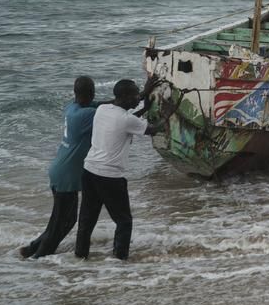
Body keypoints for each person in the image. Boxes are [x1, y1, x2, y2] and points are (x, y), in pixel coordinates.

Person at [74, 77, 166, 261]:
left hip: (90, 171)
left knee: (87, 219)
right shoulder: (126, 119)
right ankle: (119, 261)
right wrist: (169, 112)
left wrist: (145, 105)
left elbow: (126, 121)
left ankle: (80, 256)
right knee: (124, 221)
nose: (137, 98)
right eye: (134, 94)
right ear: (124, 96)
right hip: (110, 177)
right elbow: (154, 129)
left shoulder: (102, 109)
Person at [20, 76, 101, 259]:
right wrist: (143, 96)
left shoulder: (72, 108)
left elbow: (103, 104)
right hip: (66, 175)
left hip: (61, 170)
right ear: (92, 92)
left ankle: (32, 249)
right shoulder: (86, 115)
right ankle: (39, 258)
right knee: (61, 222)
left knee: (61, 220)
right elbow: (113, 110)